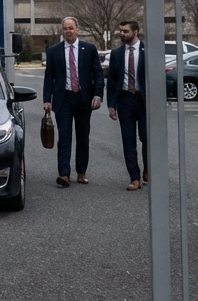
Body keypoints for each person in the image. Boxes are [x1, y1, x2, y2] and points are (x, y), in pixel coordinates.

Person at [42, 16, 104, 187]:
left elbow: (98, 74)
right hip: (64, 99)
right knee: (64, 136)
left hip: (84, 99)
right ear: (62, 31)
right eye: (65, 29)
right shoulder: (54, 51)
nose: (68, 31)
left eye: (71, 28)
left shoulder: (89, 49)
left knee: (83, 136)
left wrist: (98, 95)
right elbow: (49, 77)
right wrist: (47, 99)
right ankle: (64, 174)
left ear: (77, 29)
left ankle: (81, 172)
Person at [107, 20, 148, 191]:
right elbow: (112, 80)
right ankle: (135, 178)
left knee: (147, 138)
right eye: (120, 31)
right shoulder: (116, 53)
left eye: (125, 31)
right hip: (125, 100)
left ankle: (148, 168)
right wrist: (111, 104)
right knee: (128, 141)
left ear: (135, 32)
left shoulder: (148, 51)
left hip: (144, 101)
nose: (122, 34)